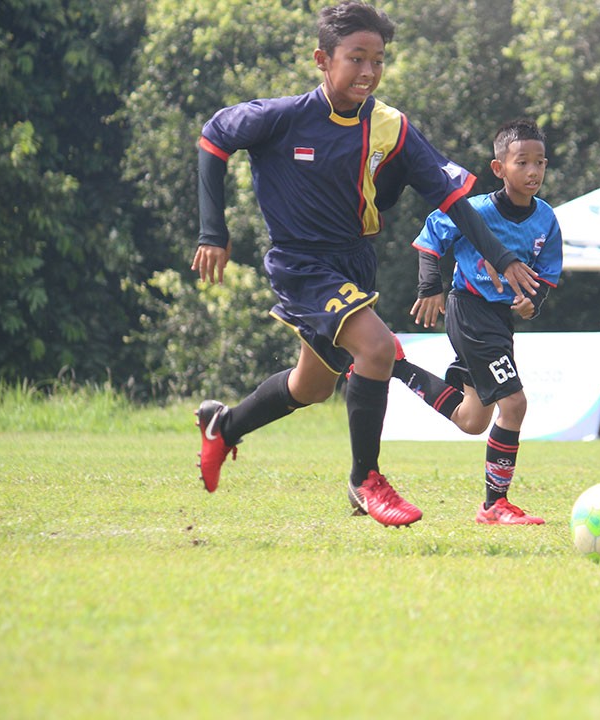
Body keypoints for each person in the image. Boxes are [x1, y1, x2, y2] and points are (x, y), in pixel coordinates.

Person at [190, 1, 540, 528]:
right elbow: (214, 136)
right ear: (322, 60)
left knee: (310, 386)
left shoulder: (390, 126)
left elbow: (451, 199)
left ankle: (224, 426)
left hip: (355, 263)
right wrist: (212, 232)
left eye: (377, 60)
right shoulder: (282, 118)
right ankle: (365, 479)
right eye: (356, 58)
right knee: (376, 348)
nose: (369, 71)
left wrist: (502, 255)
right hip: (301, 265)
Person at [386, 119, 563, 525]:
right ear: (499, 168)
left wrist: (532, 303)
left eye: (539, 162)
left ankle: (397, 366)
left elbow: (546, 275)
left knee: (472, 419)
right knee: (514, 404)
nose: (533, 171)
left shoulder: (546, 219)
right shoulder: (476, 209)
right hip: (469, 311)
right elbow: (431, 237)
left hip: (498, 320)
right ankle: (494, 505)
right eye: (522, 162)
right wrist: (429, 287)